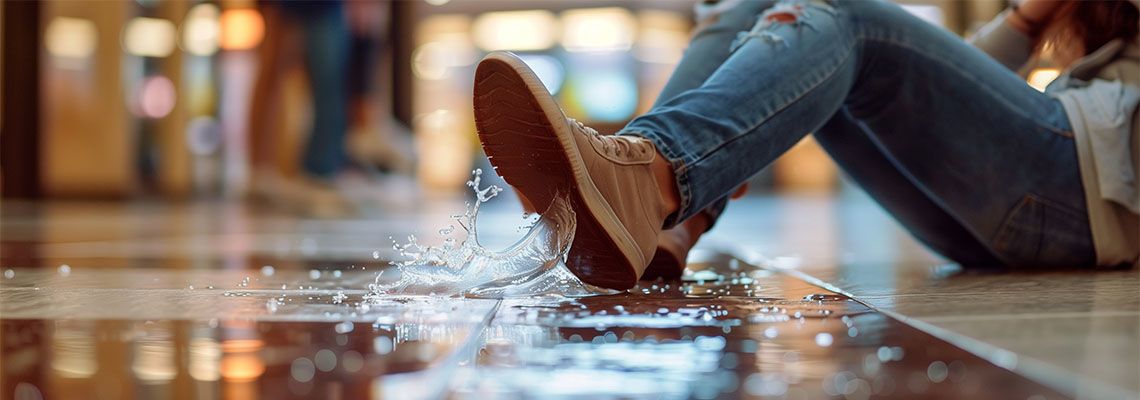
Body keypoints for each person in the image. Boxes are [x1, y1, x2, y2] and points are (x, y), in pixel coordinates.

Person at [473, 0, 1140, 290]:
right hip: (1036, 203)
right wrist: (1031, 15)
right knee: (760, 9)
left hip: (1088, 192)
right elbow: (962, 89)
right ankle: (667, 222)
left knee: (847, 19)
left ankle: (650, 182)